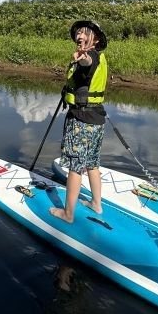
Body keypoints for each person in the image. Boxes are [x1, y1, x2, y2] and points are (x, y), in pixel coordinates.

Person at [50, 20, 108, 224]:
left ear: (96, 39)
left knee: (76, 167)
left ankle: (68, 214)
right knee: (92, 163)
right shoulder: (99, 56)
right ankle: (96, 204)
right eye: (78, 33)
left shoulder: (90, 56)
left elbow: (86, 63)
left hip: (82, 121)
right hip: (96, 120)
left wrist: (80, 59)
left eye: (85, 33)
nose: (79, 36)